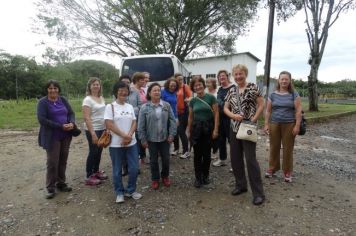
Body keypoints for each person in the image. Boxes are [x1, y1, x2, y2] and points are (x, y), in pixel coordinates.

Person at [224, 64, 265, 205]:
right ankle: (241, 185)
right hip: (234, 128)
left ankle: (258, 193)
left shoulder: (253, 87)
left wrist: (254, 119)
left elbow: (261, 104)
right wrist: (233, 116)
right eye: (235, 74)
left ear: (245, 74)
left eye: (240, 74)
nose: (238, 76)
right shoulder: (231, 90)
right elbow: (225, 108)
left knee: (250, 160)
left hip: (248, 127)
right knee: (235, 159)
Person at [104, 81, 142, 203]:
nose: (123, 92)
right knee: (117, 169)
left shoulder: (129, 106)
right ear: (116, 92)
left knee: (134, 168)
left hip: (131, 143)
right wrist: (124, 135)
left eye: (125, 90)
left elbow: (134, 122)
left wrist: (129, 135)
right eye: (120, 90)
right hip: (116, 144)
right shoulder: (110, 107)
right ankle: (119, 192)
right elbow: (109, 124)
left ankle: (131, 190)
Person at [37, 80, 75, 199]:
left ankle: (61, 183)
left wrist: (72, 123)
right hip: (52, 136)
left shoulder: (62, 99)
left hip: (66, 135)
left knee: (63, 160)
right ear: (47, 89)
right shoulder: (43, 102)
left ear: (58, 89)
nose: (53, 90)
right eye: (50, 88)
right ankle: (50, 188)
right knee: (52, 162)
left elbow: (71, 113)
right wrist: (60, 126)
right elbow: (42, 119)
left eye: (55, 88)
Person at [264, 71, 302, 183]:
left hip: (289, 124)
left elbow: (298, 110)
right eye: (282, 79)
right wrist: (266, 124)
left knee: (288, 148)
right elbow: (268, 110)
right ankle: (272, 168)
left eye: (286, 79)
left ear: (290, 80)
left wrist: (297, 125)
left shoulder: (294, 94)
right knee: (274, 147)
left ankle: (287, 171)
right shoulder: (272, 95)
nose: (284, 81)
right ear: (278, 80)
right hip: (274, 124)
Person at [138, 83, 177, 190]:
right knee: (153, 160)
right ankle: (155, 178)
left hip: (165, 138)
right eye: (154, 90)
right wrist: (143, 139)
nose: (157, 92)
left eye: (158, 90)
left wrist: (171, 134)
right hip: (151, 139)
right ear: (149, 93)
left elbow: (173, 121)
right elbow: (140, 125)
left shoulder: (166, 105)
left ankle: (165, 176)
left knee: (166, 159)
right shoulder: (144, 107)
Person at [187, 76, 219, 188]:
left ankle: (205, 176)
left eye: (200, 84)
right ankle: (198, 178)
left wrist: (215, 129)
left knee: (207, 154)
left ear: (203, 85)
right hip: (196, 130)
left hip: (208, 128)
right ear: (193, 88)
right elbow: (190, 117)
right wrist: (188, 130)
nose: (198, 87)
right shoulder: (193, 101)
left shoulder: (211, 98)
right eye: (195, 85)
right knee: (197, 155)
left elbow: (216, 114)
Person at [82, 77, 108, 186]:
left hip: (102, 128)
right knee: (93, 151)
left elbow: (104, 113)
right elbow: (86, 118)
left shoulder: (101, 98)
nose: (96, 86)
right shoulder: (87, 100)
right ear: (89, 86)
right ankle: (89, 176)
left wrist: (107, 127)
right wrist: (92, 133)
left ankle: (96, 171)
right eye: (94, 84)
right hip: (92, 129)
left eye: (98, 84)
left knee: (99, 150)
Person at [118, 74, 142, 176]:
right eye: (124, 82)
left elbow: (140, 105)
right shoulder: (117, 93)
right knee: (122, 146)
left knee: (134, 146)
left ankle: (135, 167)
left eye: (128, 82)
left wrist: (130, 109)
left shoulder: (135, 93)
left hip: (133, 123)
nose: (126, 84)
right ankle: (125, 168)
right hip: (121, 125)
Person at [213, 70, 235, 167]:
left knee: (232, 141)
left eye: (223, 76)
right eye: (219, 76)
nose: (221, 77)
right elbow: (218, 103)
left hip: (230, 118)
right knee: (221, 140)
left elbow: (232, 103)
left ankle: (235, 163)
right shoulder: (220, 89)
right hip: (220, 118)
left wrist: (221, 103)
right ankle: (222, 159)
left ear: (227, 76)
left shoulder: (233, 88)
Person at [131, 72, 148, 163]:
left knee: (142, 135)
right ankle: (136, 156)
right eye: (142, 79)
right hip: (135, 117)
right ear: (136, 80)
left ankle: (143, 156)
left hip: (143, 116)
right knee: (137, 137)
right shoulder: (132, 91)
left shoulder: (142, 90)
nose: (144, 81)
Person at [175, 73, 192, 159]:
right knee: (176, 131)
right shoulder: (174, 88)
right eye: (178, 79)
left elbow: (191, 97)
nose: (180, 81)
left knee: (181, 131)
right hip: (176, 113)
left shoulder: (185, 87)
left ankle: (186, 151)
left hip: (184, 113)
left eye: (181, 79)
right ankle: (176, 149)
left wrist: (187, 99)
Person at [161, 78, 179, 155]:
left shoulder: (175, 93)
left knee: (171, 133)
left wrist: (177, 118)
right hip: (164, 116)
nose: (173, 87)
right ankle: (161, 151)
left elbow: (175, 106)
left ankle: (167, 150)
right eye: (171, 85)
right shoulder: (163, 91)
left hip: (173, 116)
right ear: (168, 84)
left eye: (174, 86)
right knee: (163, 132)